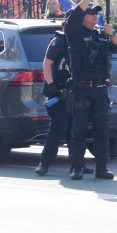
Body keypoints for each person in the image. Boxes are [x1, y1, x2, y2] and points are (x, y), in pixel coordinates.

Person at [65, 0, 117, 180]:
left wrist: (112, 34)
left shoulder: (100, 33)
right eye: (91, 13)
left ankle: (102, 167)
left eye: (96, 13)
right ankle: (77, 167)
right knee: (79, 130)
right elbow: (76, 12)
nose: (94, 16)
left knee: (102, 131)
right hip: (81, 89)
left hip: (100, 90)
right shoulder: (75, 32)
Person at [34, 10, 93, 177]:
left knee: (76, 128)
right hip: (59, 90)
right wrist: (52, 86)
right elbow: (47, 64)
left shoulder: (80, 39)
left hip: (76, 90)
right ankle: (44, 164)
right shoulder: (59, 40)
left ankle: (77, 164)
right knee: (58, 127)